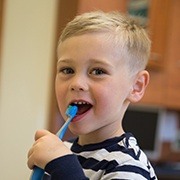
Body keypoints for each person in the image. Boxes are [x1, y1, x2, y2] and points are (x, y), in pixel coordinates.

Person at [27, 11, 157, 180]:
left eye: (98, 71)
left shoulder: (129, 166)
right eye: (67, 70)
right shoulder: (62, 151)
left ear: (136, 86)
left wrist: (63, 166)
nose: (76, 83)